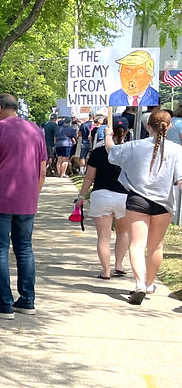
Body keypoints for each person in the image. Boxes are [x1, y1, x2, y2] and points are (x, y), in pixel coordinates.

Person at [0, 92, 48, 318]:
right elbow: (42, 170)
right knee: (24, 249)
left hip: (1, 200)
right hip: (27, 200)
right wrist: (33, 194)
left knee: (0, 250)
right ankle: (27, 300)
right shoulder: (35, 130)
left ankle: (4, 304)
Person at [106, 108, 182, 304]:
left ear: (147, 126)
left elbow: (112, 151)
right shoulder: (177, 150)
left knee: (137, 244)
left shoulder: (135, 146)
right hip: (164, 202)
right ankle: (149, 284)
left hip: (137, 199)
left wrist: (108, 136)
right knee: (156, 246)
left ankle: (139, 283)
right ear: (169, 126)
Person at [75, 115, 129, 279]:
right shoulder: (130, 151)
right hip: (124, 197)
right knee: (123, 233)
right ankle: (119, 265)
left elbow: (89, 177)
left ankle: (105, 271)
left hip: (101, 195)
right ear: (126, 132)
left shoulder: (98, 152)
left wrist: (81, 196)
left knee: (103, 237)